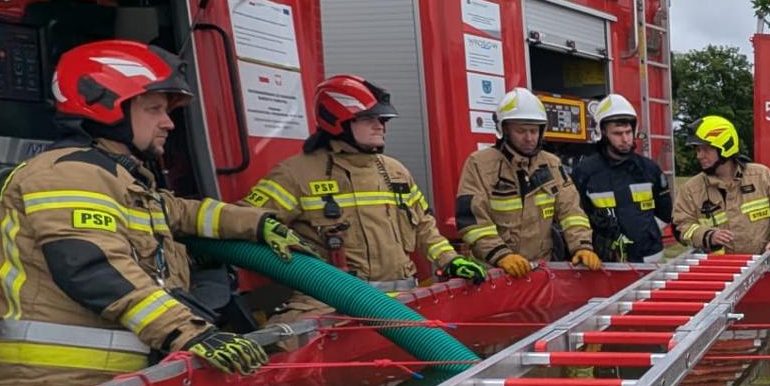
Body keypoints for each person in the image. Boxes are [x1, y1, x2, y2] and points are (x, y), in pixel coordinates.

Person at [0, 40, 303, 386]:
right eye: (153, 109)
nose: (168, 122)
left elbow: (180, 212)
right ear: (105, 106)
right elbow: (95, 268)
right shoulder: (69, 175)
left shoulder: (118, 178)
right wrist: (190, 333)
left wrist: (259, 223)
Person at [243, 74, 486, 319]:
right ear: (337, 120)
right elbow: (246, 220)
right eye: (368, 118)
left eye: (381, 119)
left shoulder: (395, 172)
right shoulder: (296, 174)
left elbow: (424, 228)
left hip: (403, 302)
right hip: (334, 305)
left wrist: (450, 260)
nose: (380, 125)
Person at [455, 88, 601, 276]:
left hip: (540, 271)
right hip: (495, 273)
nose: (529, 138)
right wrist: (501, 256)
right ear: (504, 130)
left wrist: (582, 246)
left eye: (534, 130)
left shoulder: (552, 164)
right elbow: (472, 221)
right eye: (521, 131)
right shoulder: (480, 164)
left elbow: (571, 212)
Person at [672, 115, 770, 258]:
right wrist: (707, 235)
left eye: (706, 149)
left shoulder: (761, 176)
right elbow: (680, 227)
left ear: (725, 146)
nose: (699, 156)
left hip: (763, 268)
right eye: (698, 150)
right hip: (718, 271)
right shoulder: (692, 189)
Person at [571, 93, 671, 262]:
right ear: (602, 132)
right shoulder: (585, 172)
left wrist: (647, 233)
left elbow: (665, 211)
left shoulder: (649, 168)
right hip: (606, 262)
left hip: (649, 257)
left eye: (628, 132)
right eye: (617, 133)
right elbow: (575, 216)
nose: (625, 139)